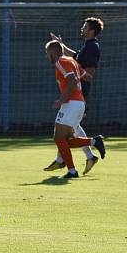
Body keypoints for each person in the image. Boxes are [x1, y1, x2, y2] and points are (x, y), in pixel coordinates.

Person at [45, 16, 104, 174]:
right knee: (71, 129)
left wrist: (63, 97)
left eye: (85, 26)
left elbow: (88, 74)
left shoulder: (92, 47)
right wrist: (62, 46)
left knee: (63, 135)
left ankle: (68, 160)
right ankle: (84, 157)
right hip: (76, 96)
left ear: (91, 31)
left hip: (76, 95)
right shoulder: (86, 47)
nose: (82, 28)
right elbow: (76, 60)